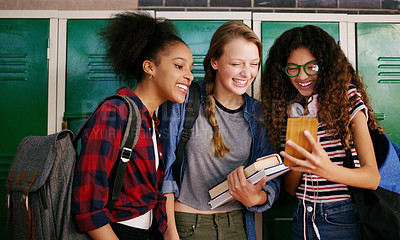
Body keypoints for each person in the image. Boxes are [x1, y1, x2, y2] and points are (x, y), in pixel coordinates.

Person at [71, 12, 193, 240]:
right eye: (179, 66)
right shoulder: (115, 113)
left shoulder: (151, 122)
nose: (189, 76)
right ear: (149, 67)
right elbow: (88, 205)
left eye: (190, 69)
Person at [159, 21, 280, 240]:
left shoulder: (259, 114)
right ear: (215, 62)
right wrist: (170, 234)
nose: (247, 72)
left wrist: (256, 198)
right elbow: (164, 170)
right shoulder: (184, 99)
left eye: (254, 64)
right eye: (236, 63)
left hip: (238, 226)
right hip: (186, 225)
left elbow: (272, 179)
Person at [260, 25, 381, 240]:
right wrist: (298, 160)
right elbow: (290, 188)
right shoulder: (293, 108)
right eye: (293, 69)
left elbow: (372, 177)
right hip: (302, 215)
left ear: (324, 67)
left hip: (340, 217)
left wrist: (325, 168)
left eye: (311, 67)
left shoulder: (347, 99)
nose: (302, 76)